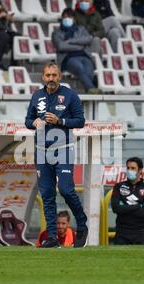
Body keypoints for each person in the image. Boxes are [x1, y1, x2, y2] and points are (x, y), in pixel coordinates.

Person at [25, 62, 89, 248]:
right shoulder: (37, 96)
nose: (51, 79)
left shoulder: (70, 95)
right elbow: (28, 120)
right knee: (47, 194)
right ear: (43, 77)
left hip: (63, 149)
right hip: (42, 152)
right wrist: (33, 122)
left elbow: (81, 121)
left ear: (60, 76)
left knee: (67, 190)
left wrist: (60, 120)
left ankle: (82, 224)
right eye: (48, 75)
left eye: (54, 75)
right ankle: (52, 237)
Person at [52, 8, 101, 94]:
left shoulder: (81, 29)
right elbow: (61, 46)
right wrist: (79, 47)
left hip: (84, 55)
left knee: (89, 69)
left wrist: (70, 41)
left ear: (74, 19)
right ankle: (92, 89)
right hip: (68, 58)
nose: (67, 19)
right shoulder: (56, 33)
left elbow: (87, 39)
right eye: (65, 17)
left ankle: (89, 93)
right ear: (62, 18)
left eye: (69, 17)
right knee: (79, 68)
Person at [111, 157, 144, 245]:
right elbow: (116, 208)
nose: (129, 170)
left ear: (140, 170)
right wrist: (138, 206)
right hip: (121, 232)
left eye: (133, 168)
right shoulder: (118, 186)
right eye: (128, 168)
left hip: (141, 233)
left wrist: (124, 206)